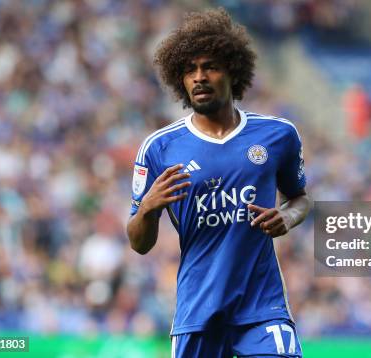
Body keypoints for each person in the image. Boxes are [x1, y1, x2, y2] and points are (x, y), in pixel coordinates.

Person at [126, 8, 310, 358]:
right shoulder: (159, 148)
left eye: (210, 66)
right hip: (197, 312)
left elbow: (301, 199)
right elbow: (139, 243)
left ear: (233, 71)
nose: (199, 77)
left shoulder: (277, 135)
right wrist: (148, 209)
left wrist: (286, 217)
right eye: (189, 70)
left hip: (261, 308)